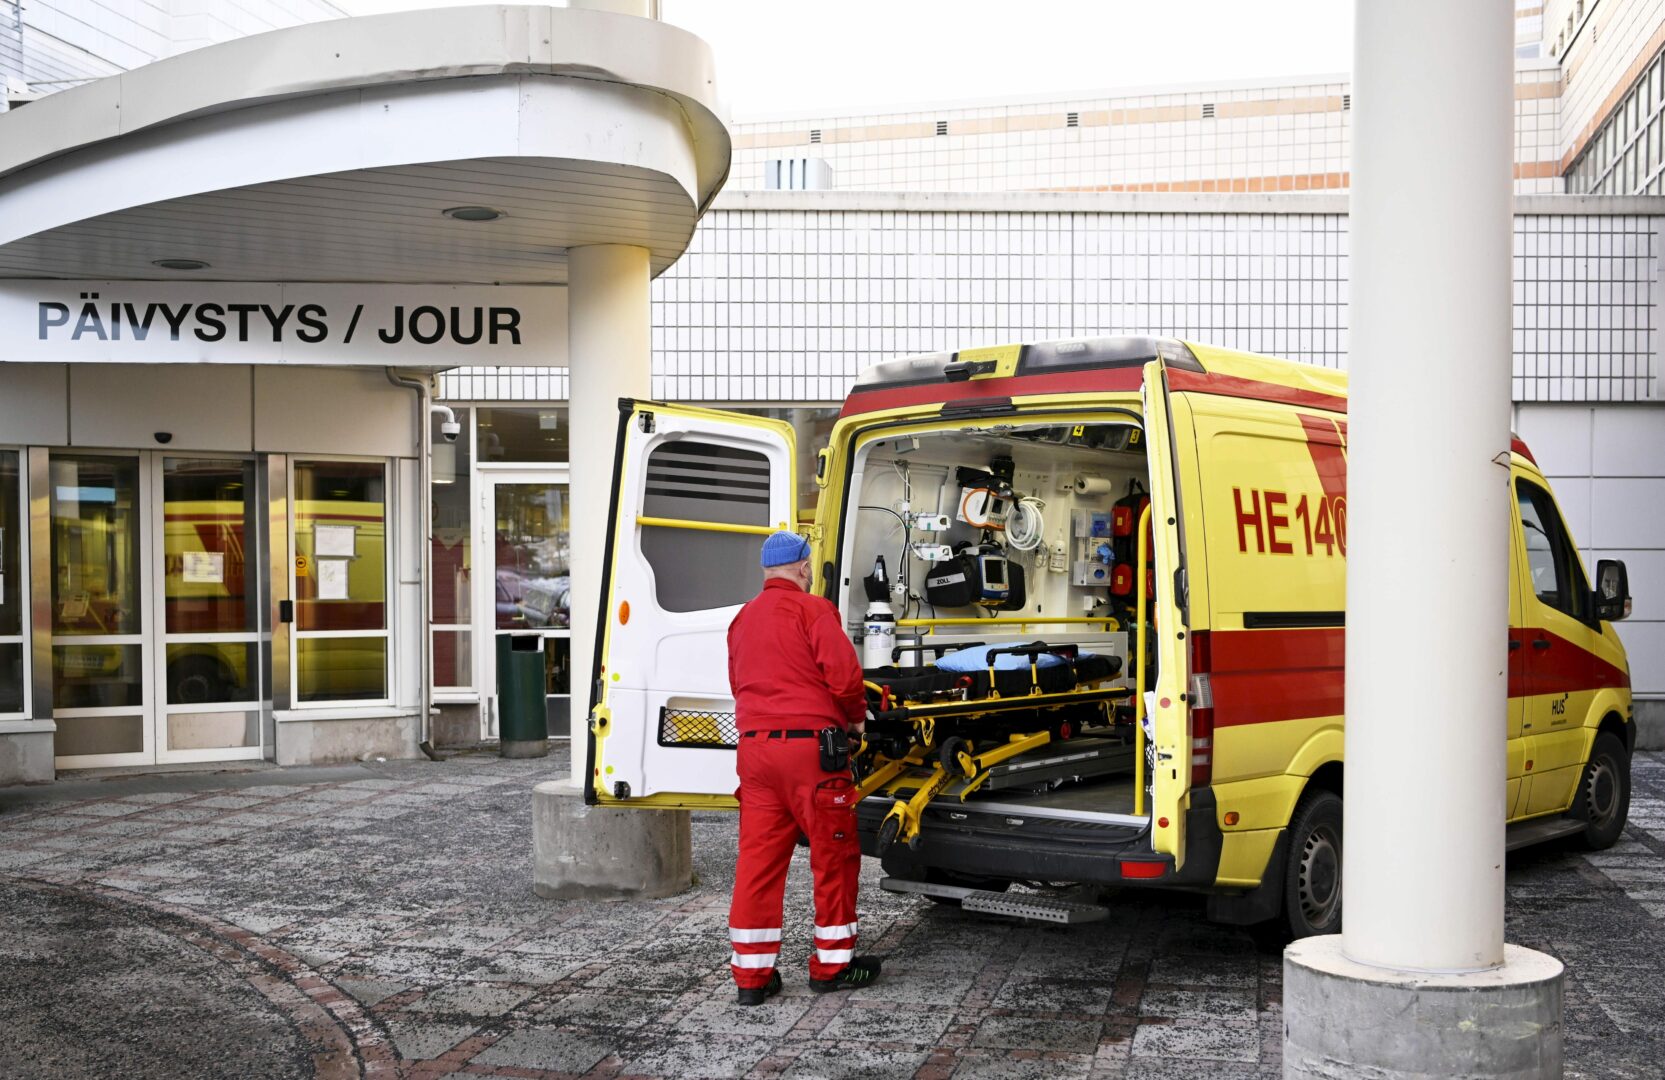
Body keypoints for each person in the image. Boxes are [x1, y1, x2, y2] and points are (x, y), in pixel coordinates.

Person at [725, 530, 883, 1006]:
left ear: (766, 570)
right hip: (811, 754)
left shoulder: (742, 618)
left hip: (755, 754)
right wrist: (856, 719)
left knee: (757, 864)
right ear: (804, 567)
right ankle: (833, 967)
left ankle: (752, 979)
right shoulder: (814, 610)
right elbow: (845, 677)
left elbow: (738, 682)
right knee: (833, 856)